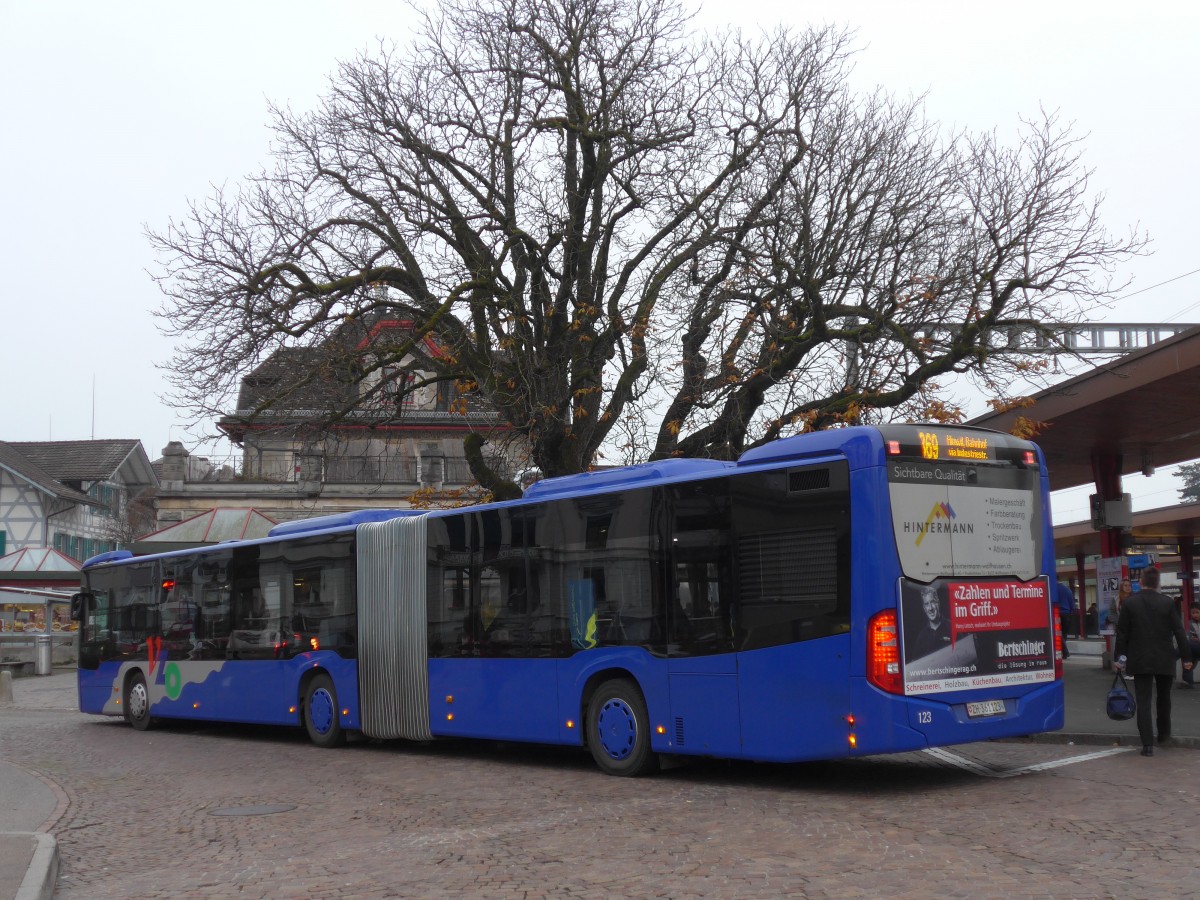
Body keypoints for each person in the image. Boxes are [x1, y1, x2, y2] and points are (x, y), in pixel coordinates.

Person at [1114, 567, 1193, 756]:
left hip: (1140, 658)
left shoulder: (1130, 603)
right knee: (1164, 698)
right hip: (1164, 658)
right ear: (1157, 583)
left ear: (1140, 581)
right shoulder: (1167, 603)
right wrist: (1187, 657)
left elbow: (1122, 633)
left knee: (1144, 700)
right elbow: (1179, 631)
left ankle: (1147, 745)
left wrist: (1119, 658)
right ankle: (1164, 735)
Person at [909, 585, 951, 660]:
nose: (930, 608)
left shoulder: (953, 627)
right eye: (927, 604)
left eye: (932, 602)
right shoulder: (921, 638)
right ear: (924, 608)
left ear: (938, 603)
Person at [1180, 606, 1200, 689]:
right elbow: (1189, 635)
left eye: (1197, 612)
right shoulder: (1190, 623)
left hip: (1195, 646)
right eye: (1193, 613)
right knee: (1188, 659)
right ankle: (1187, 681)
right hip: (1194, 647)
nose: (1195, 615)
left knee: (1184, 652)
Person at [1055, 581, 1075, 657]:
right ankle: (1063, 653)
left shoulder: (1053, 589)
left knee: (1058, 633)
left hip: (1057, 613)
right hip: (1066, 614)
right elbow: (1072, 603)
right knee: (1064, 633)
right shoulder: (1067, 589)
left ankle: (1065, 652)